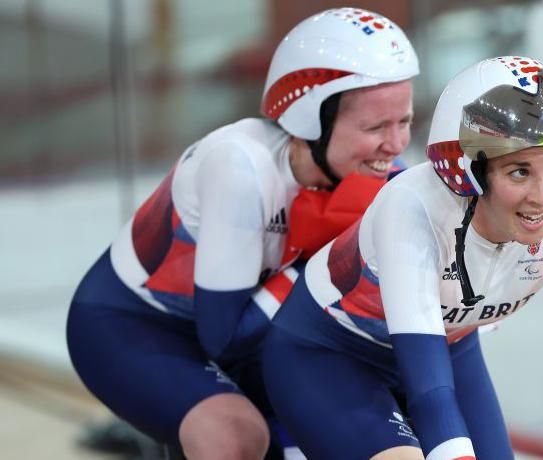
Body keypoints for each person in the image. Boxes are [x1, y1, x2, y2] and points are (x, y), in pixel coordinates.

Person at [262, 56, 543, 459]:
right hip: (330, 355)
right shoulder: (411, 210)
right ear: (466, 171)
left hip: (451, 350)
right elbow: (431, 396)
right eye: (519, 171)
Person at [66, 7, 418, 460]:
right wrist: (325, 253)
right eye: (375, 127)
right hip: (136, 326)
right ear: (311, 122)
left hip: (248, 328)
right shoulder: (240, 168)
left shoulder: (384, 177)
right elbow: (224, 339)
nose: (395, 145)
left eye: (405, 120)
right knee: (235, 438)